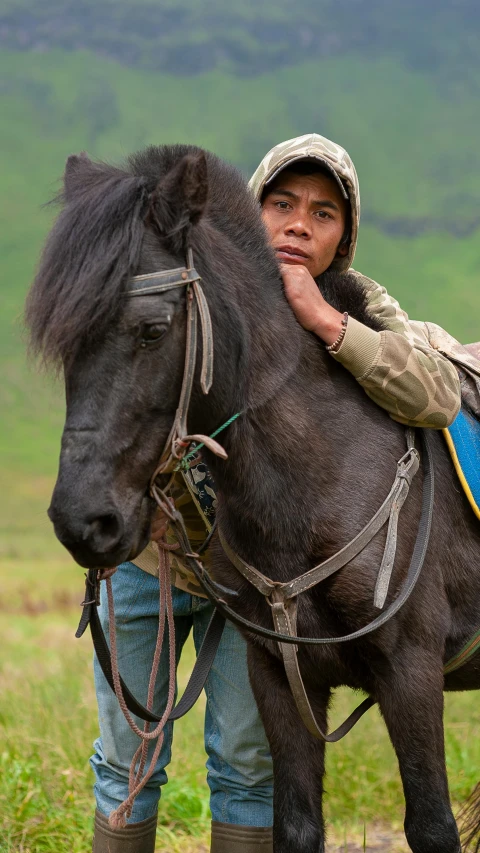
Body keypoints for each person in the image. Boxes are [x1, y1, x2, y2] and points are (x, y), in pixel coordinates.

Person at [91, 133, 480, 853]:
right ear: (250, 211)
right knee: (124, 762)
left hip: (258, 572)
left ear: (344, 238)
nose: (301, 223)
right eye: (283, 203)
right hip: (163, 553)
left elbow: (432, 392)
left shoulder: (363, 303)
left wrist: (326, 320)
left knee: (246, 767)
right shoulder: (187, 293)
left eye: (324, 213)